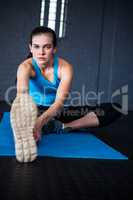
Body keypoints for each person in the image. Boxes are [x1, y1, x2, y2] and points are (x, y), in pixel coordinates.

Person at [10, 26, 122, 163]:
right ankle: (37, 127)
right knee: (28, 119)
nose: (41, 52)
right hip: (34, 110)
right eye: (37, 47)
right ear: (30, 48)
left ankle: (62, 127)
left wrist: (39, 123)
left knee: (114, 108)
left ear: (54, 49)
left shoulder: (65, 67)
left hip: (59, 111)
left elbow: (58, 103)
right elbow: (22, 97)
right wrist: (30, 118)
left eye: (47, 47)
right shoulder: (25, 67)